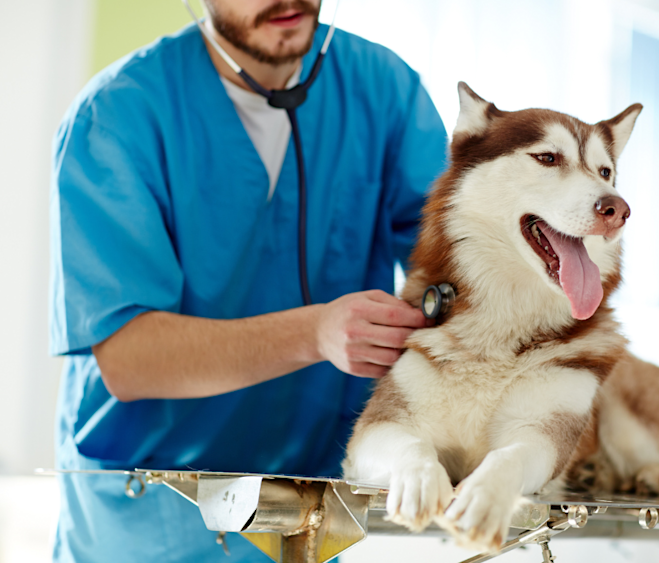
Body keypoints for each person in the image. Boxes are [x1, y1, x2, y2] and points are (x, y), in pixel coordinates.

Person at [48, 0, 447, 560]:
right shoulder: (117, 116)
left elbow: (452, 265)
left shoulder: (384, 89)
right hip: (156, 514)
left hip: (310, 506)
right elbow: (129, 356)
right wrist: (317, 332)